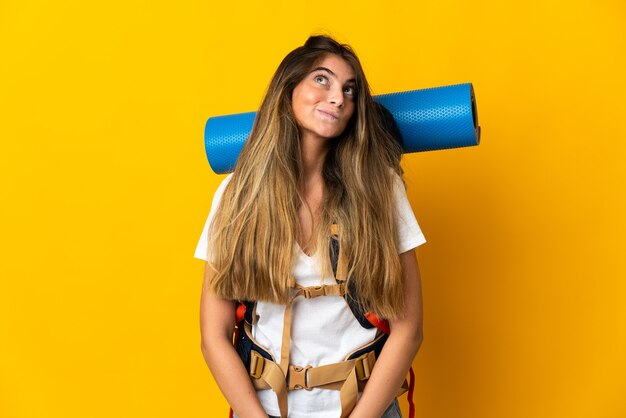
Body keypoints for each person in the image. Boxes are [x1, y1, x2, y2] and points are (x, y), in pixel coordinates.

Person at [196, 35, 426, 418]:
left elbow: (409, 328)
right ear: (288, 89)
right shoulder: (238, 194)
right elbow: (213, 334)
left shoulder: (381, 187)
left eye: (349, 90)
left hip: (364, 408)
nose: (338, 97)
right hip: (263, 409)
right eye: (323, 80)